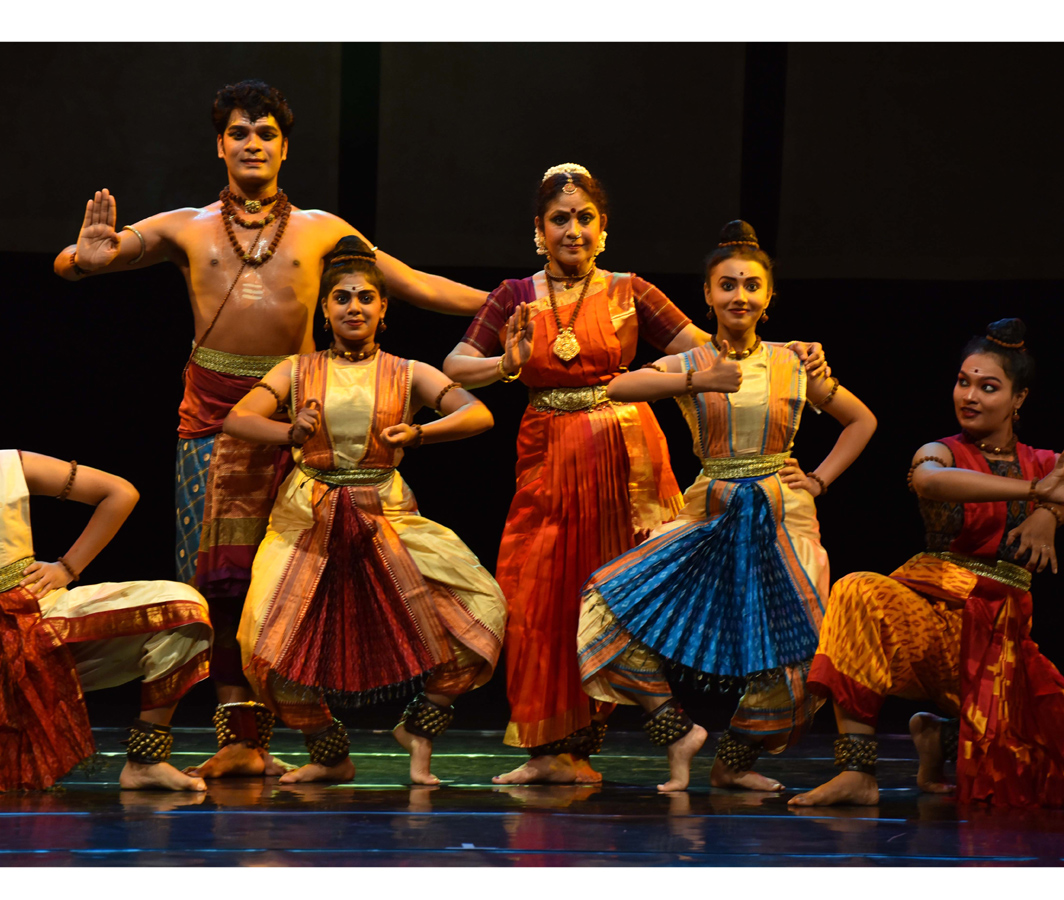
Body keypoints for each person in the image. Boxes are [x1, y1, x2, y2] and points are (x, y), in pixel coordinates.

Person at [53, 80, 488, 778]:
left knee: (293, 584)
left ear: (285, 147)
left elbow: (417, 285)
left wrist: (520, 303)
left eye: (265, 134)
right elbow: (79, 262)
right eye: (238, 133)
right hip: (211, 425)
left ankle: (312, 739)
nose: (252, 144)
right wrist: (85, 260)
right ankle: (242, 742)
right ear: (219, 144)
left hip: (301, 416)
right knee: (217, 588)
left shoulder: (321, 230)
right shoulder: (186, 226)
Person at [443, 167, 829, 785]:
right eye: (560, 219)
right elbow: (456, 366)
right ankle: (553, 752)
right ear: (539, 231)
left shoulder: (632, 291)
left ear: (603, 228)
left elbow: (718, 346)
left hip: (625, 459)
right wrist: (505, 363)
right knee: (538, 593)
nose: (573, 229)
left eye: (585, 217)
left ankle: (617, 744)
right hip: (546, 453)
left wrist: (797, 356)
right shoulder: (515, 294)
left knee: (624, 597)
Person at [576, 220, 876, 792]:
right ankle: (675, 727)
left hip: (783, 513)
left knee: (794, 657)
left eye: (751, 285)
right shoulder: (692, 363)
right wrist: (697, 379)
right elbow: (616, 388)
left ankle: (734, 762)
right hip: (710, 510)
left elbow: (862, 421)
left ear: (768, 297)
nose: (739, 295)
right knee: (606, 609)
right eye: (727, 284)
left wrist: (817, 479)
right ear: (708, 294)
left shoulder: (793, 362)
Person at [0, 339, 213, 793]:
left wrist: (67, 568)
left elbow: (119, 493)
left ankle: (146, 759)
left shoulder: (8, 465)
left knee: (183, 607)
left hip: (42, 624)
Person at [225, 237, 506, 786]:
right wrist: (289, 432)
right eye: (342, 298)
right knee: (260, 644)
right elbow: (237, 418)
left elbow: (478, 415)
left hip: (386, 516)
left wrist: (421, 432)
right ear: (325, 312)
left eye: (366, 298)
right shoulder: (296, 370)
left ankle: (419, 728)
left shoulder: (408, 372)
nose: (354, 307)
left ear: (383, 309)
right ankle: (329, 754)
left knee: (485, 616)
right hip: (308, 518)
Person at [791, 318, 1064, 808]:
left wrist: (1048, 513)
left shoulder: (1044, 464)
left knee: (1039, 761)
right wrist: (1034, 493)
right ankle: (857, 770)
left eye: (988, 387)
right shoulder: (942, 451)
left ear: (1019, 399)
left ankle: (940, 732)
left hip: (1002, 643)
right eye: (964, 382)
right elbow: (933, 482)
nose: (970, 396)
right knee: (857, 589)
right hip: (933, 628)